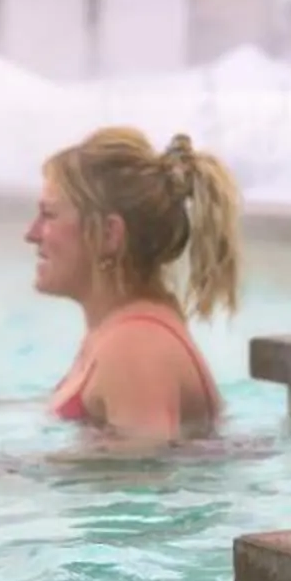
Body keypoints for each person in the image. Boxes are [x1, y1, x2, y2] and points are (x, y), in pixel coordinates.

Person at [28, 127, 243, 445]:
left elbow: (142, 480)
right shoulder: (117, 333)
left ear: (109, 234)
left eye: (48, 215)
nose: (31, 233)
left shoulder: (135, 347)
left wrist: (2, 473)